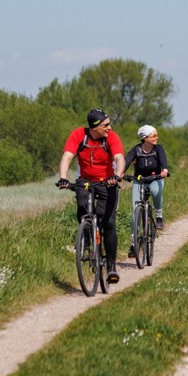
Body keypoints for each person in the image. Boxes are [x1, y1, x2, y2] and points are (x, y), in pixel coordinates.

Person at [57, 109, 125, 284]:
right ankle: (86, 237)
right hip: (86, 180)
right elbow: (67, 157)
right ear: (95, 127)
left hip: (107, 182)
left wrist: (117, 175)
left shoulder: (111, 138)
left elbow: (119, 158)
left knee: (108, 223)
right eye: (106, 125)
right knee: (83, 206)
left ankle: (111, 266)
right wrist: (63, 178)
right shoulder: (79, 135)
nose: (110, 128)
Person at [123, 124, 170, 259]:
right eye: (153, 135)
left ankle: (159, 216)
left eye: (156, 135)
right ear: (145, 138)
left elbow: (163, 162)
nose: (156, 138)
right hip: (139, 180)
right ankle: (133, 245)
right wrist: (119, 174)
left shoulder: (158, 149)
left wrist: (164, 170)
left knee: (155, 191)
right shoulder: (136, 150)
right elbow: (126, 163)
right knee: (135, 211)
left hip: (155, 178)